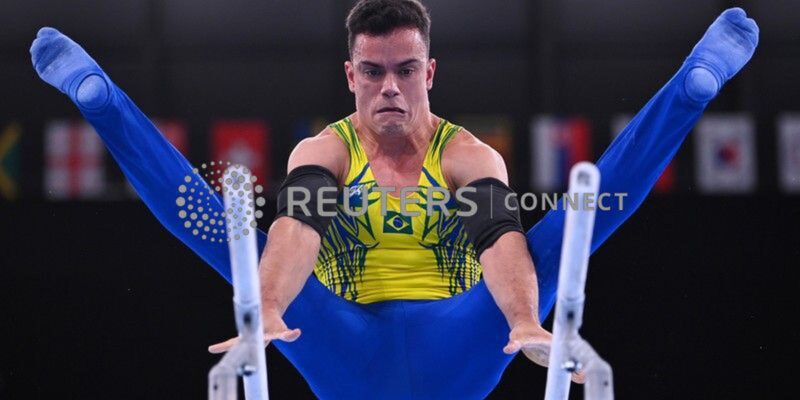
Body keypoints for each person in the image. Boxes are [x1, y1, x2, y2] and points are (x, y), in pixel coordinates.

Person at [30, 0, 758, 398]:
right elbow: (298, 235)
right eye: (374, 72)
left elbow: (500, 243)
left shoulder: (468, 154)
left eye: (406, 71)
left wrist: (525, 324)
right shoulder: (327, 151)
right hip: (339, 343)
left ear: (430, 71)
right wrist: (270, 311)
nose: (390, 88)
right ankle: (103, 101)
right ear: (349, 74)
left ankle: (690, 88)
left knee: (569, 227)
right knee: (232, 236)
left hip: (463, 341)